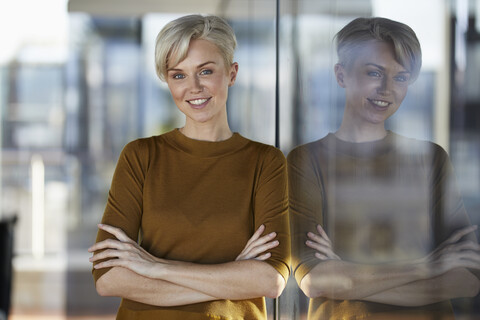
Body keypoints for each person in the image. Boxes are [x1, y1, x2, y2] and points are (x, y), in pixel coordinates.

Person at [88, 14, 290, 320]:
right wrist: (232, 278)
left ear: (232, 73)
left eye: (205, 71)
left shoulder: (265, 162)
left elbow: (269, 280)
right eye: (178, 75)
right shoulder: (140, 156)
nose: (193, 87)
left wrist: (156, 267)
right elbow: (108, 277)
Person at [288, 17, 480, 319]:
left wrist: (348, 277)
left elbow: (467, 279)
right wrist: (426, 266)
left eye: (401, 78)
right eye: (374, 73)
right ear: (341, 75)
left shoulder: (431, 159)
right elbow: (317, 280)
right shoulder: (306, 160)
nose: (387, 89)